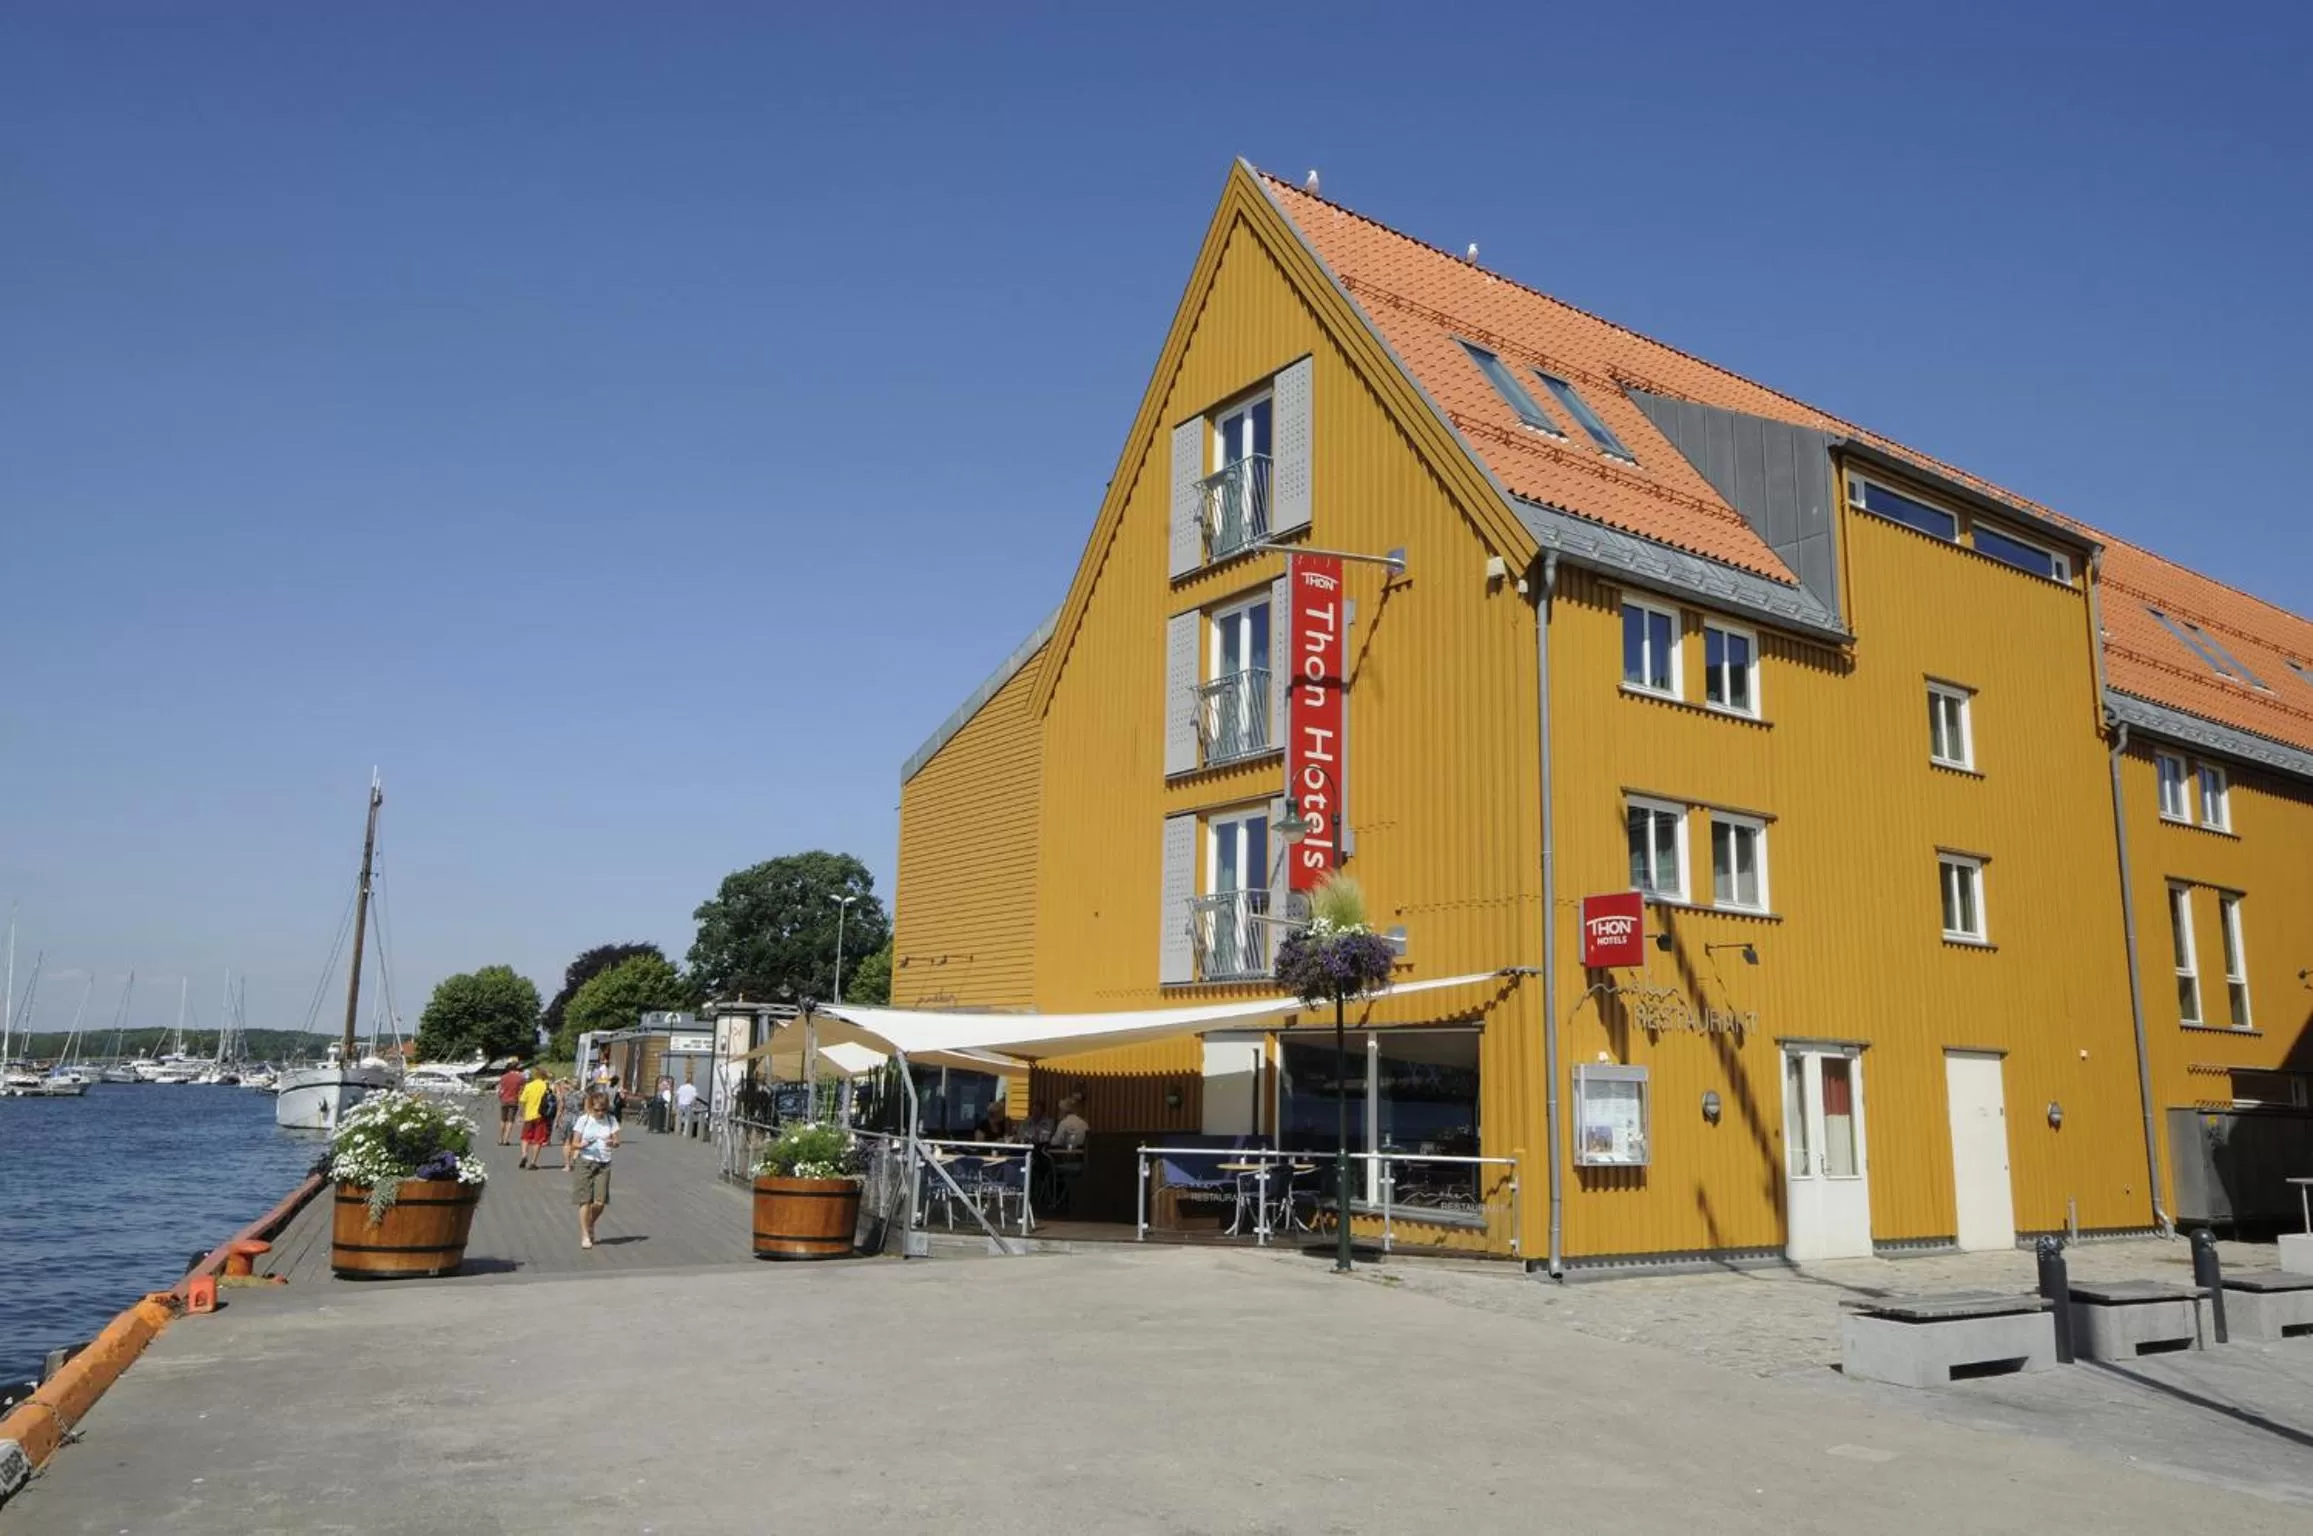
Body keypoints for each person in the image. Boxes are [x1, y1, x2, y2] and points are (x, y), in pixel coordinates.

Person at [565, 1088, 622, 1250]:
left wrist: (613, 1143)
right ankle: (585, 1234)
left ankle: (589, 1224)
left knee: (600, 1201)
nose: (600, 1113)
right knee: (585, 1200)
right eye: (597, 1110)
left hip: (604, 1162)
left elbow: (617, 1141)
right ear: (590, 1107)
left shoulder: (611, 1120)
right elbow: (573, 1143)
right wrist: (581, 1144)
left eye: (603, 1109)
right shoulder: (584, 1120)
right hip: (585, 1161)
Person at [517, 1067, 554, 1169]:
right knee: (538, 1139)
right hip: (541, 1115)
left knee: (525, 1137)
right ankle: (533, 1162)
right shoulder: (546, 1086)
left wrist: (521, 1114)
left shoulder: (528, 1086)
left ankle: (524, 1155)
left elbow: (522, 1101)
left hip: (529, 1115)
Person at [495, 1062, 525, 1146]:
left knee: (503, 1120)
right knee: (510, 1121)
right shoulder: (521, 1078)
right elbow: (522, 1090)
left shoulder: (503, 1077)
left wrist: (500, 1097)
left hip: (504, 1100)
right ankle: (506, 1140)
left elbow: (499, 1089)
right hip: (514, 1100)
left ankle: (500, 1138)